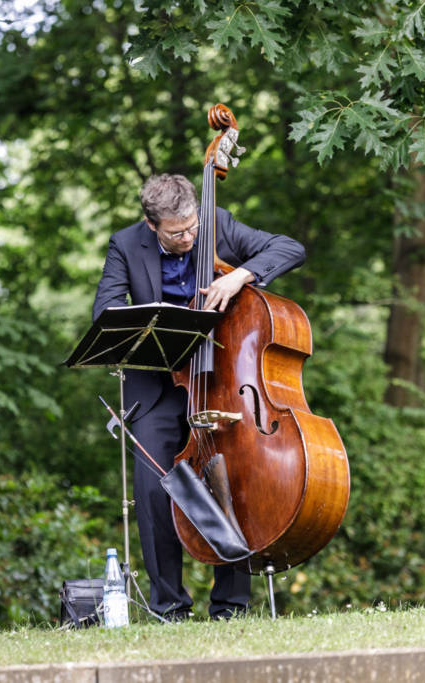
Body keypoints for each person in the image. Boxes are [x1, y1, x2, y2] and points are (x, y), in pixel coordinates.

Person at [91, 173, 306, 620]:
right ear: (153, 226)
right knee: (153, 490)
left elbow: (290, 248)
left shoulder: (218, 223)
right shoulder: (126, 245)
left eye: (192, 227)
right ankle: (169, 605)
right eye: (177, 233)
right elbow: (106, 312)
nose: (189, 237)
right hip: (160, 386)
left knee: (236, 478)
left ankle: (230, 604)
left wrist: (240, 276)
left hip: (224, 379)